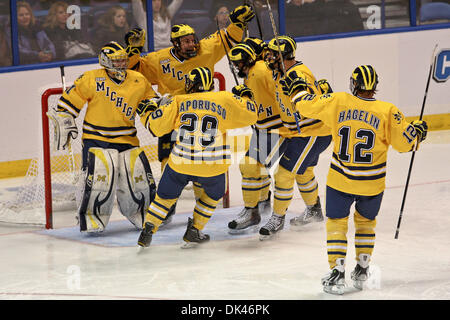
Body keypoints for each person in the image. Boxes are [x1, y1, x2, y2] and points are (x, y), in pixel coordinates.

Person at [284, 64, 428, 294]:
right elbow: (405, 144)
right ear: (375, 87)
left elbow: (306, 106)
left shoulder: (339, 101)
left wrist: (299, 91)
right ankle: (362, 270)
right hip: (372, 183)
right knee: (365, 225)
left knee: (337, 225)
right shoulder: (388, 110)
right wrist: (417, 132)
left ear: (354, 84)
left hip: (341, 180)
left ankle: (337, 273)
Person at [125, 4, 255, 225]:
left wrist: (237, 22)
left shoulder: (205, 48)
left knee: (202, 165)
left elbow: (229, 38)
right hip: (173, 115)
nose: (192, 44)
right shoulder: (159, 59)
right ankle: (167, 206)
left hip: (203, 114)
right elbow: (134, 71)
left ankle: (200, 208)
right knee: (169, 163)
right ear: (175, 44)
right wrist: (132, 52)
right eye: (186, 41)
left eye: (193, 39)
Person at [136, 66, 258, 248]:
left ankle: (148, 229)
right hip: (213, 165)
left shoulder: (177, 100)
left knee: (164, 197)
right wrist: (247, 96)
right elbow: (251, 116)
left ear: (191, 85)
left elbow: (156, 128)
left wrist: (147, 112)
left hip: (181, 162)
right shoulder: (224, 98)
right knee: (213, 194)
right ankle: (195, 229)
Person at [47, 41, 158, 233]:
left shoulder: (138, 79)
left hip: (128, 139)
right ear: (105, 61)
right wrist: (65, 120)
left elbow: (151, 104)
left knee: (137, 177)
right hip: (95, 137)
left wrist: (159, 113)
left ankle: (144, 213)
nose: (122, 64)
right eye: (117, 61)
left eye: (123, 60)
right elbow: (66, 104)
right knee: (99, 179)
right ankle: (91, 218)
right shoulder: (90, 78)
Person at [258, 35, 332, 240]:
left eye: (273, 54)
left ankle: (277, 218)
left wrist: (300, 93)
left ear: (283, 56)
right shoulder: (280, 71)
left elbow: (311, 104)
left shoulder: (299, 75)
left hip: (312, 132)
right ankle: (314, 210)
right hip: (301, 133)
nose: (268, 57)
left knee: (283, 174)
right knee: (303, 171)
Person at [226, 39, 291, 233]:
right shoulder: (251, 73)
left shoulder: (261, 70)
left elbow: (280, 90)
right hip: (263, 128)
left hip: (277, 129)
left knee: (250, 165)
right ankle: (259, 203)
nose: (235, 66)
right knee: (254, 167)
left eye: (237, 62)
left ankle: (253, 211)